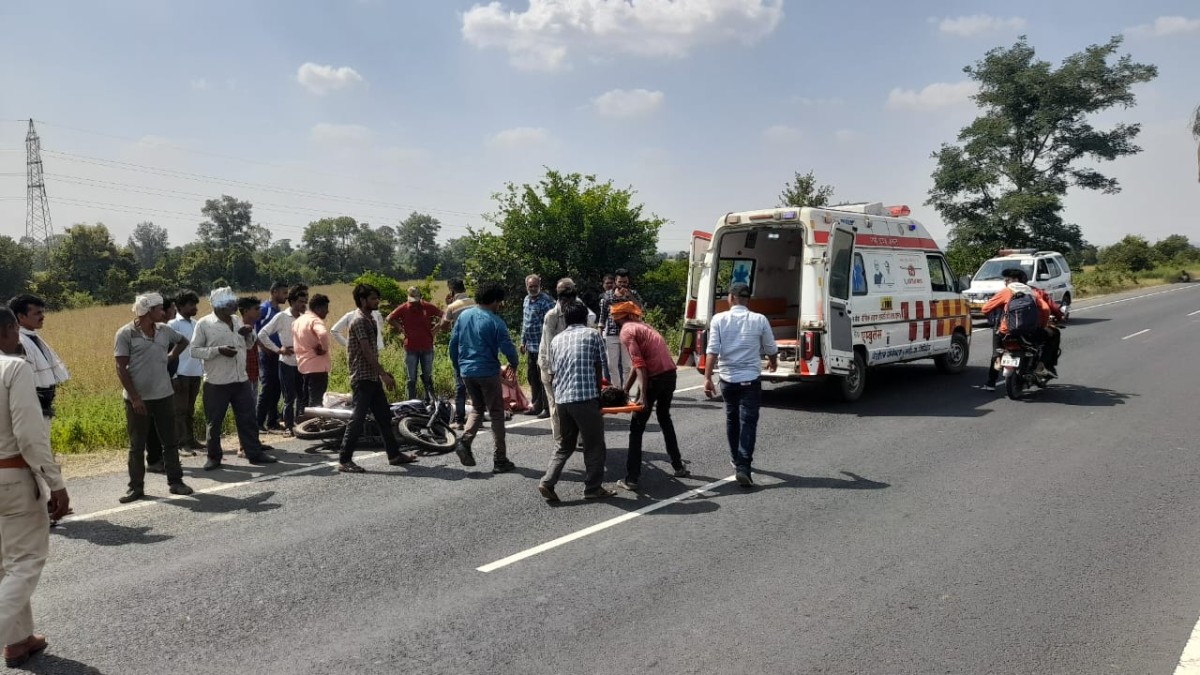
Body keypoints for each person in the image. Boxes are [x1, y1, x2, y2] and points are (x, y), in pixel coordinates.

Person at [0, 307, 69, 668]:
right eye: (15, 330)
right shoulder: (13, 368)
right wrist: (55, 483)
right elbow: (29, 435)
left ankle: (18, 641)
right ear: (8, 330)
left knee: (5, 564)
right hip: (11, 478)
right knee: (25, 563)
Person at [114, 293, 195, 502]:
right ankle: (135, 488)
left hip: (164, 395)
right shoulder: (125, 333)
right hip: (138, 399)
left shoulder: (164, 330)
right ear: (149, 311)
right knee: (137, 445)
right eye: (160, 309)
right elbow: (121, 368)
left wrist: (171, 356)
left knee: (170, 441)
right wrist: (135, 398)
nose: (164, 312)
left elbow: (183, 341)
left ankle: (176, 482)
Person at [190, 287, 278, 471]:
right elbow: (194, 351)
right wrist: (218, 350)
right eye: (230, 303)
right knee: (214, 422)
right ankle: (214, 457)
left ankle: (254, 452)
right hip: (216, 382)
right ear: (218, 305)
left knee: (248, 419)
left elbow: (249, 345)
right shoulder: (204, 324)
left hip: (240, 379)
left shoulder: (237, 320)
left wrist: (249, 334)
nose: (234, 305)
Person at [537, 302, 615, 502]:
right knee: (594, 445)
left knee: (565, 444)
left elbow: (554, 370)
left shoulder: (556, 340)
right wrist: (599, 395)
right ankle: (593, 488)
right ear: (584, 318)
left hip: (562, 399)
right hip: (585, 399)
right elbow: (599, 366)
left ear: (566, 319)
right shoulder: (593, 335)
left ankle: (547, 481)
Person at [703, 282, 778, 488]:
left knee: (732, 418)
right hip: (750, 380)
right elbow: (770, 347)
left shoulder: (719, 319)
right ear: (747, 300)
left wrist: (707, 378)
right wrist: (773, 361)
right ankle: (743, 466)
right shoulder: (759, 319)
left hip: (728, 380)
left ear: (731, 298)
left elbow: (712, 350)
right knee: (748, 422)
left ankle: (736, 458)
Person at [337, 284, 417, 473]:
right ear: (362, 300)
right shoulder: (359, 321)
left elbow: (372, 352)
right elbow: (366, 351)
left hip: (372, 377)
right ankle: (344, 460)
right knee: (357, 419)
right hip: (362, 377)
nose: (377, 301)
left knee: (384, 417)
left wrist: (382, 373)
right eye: (373, 298)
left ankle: (394, 455)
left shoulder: (370, 319)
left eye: (377, 298)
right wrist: (383, 374)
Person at [612, 301, 689, 491]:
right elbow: (637, 364)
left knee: (636, 428)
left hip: (653, 379)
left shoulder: (626, 331)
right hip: (669, 375)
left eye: (614, 316)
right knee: (664, 418)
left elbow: (640, 366)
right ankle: (678, 466)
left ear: (621, 317)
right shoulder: (644, 327)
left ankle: (632, 479)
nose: (613, 319)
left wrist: (643, 396)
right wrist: (625, 390)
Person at [448, 282, 519, 473]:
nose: (500, 305)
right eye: (499, 302)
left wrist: (458, 367)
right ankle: (500, 459)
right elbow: (508, 348)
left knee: (478, 408)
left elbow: (453, 345)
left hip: (467, 371)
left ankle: (465, 441)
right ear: (494, 300)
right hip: (487, 372)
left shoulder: (464, 316)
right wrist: (514, 363)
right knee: (496, 413)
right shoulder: (496, 322)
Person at [980, 269, 1056, 390]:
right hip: (1029, 333)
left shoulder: (1006, 291)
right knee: (1051, 336)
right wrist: (1041, 326)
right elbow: (1046, 309)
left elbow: (985, 308)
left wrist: (994, 318)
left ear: (1016, 280)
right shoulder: (1031, 292)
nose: (1005, 282)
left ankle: (991, 381)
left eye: (1007, 280)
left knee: (998, 346)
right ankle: (1041, 365)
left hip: (1007, 332)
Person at [7, 295, 69, 420]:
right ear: (21, 316)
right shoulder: (18, 341)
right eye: (37, 313)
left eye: (42, 312)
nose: (42, 316)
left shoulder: (31, 336)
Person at [257, 285, 308, 433]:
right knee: (289, 397)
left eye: (305, 301)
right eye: (300, 302)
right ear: (292, 302)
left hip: (303, 362)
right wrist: (278, 349)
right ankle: (288, 426)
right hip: (287, 362)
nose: (303, 305)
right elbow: (262, 334)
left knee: (302, 395)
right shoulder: (282, 317)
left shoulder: (306, 318)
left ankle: (300, 425)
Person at [538, 278, 580, 446]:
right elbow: (550, 347)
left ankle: (577, 437)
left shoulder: (577, 308)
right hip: (550, 366)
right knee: (556, 404)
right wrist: (552, 372)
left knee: (575, 402)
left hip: (568, 364)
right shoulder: (552, 316)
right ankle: (560, 439)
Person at [386, 287, 442, 402]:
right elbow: (389, 318)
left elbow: (445, 315)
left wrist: (436, 329)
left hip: (427, 346)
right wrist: (400, 328)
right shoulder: (404, 308)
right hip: (411, 347)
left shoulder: (427, 306)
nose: (414, 303)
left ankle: (430, 400)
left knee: (427, 376)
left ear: (420, 297)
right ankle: (411, 402)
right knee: (411, 378)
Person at [168, 290, 206, 455]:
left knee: (190, 410)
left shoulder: (196, 323)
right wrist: (174, 376)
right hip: (181, 374)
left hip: (195, 373)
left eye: (195, 304)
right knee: (179, 411)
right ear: (179, 306)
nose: (194, 308)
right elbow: (170, 352)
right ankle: (181, 443)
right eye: (191, 305)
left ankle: (190, 440)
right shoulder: (173, 325)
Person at [438, 279, 474, 429]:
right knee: (475, 383)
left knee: (460, 384)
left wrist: (448, 305)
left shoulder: (452, 306)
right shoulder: (474, 302)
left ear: (451, 291)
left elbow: (444, 327)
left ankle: (459, 420)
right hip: (476, 347)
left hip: (461, 348)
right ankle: (476, 417)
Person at [599, 268, 643, 385]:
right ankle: (616, 389)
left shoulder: (633, 293)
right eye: (620, 282)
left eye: (625, 282)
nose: (622, 284)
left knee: (627, 365)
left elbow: (640, 308)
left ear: (628, 281)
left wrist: (629, 296)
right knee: (612, 365)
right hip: (611, 334)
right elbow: (603, 315)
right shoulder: (608, 295)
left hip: (628, 334)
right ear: (615, 281)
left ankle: (625, 390)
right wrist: (600, 331)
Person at [256, 281, 289, 432]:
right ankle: (258, 422)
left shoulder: (278, 310)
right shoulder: (264, 309)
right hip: (267, 354)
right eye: (284, 293)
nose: (286, 296)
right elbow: (255, 332)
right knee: (267, 387)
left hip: (278, 354)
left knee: (277, 388)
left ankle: (272, 421)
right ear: (274, 292)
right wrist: (264, 348)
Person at [520, 274, 555, 418]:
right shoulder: (526, 300)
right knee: (533, 378)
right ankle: (536, 406)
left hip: (543, 346)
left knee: (544, 378)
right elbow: (525, 323)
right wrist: (522, 342)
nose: (533, 288)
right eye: (530, 286)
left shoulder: (546, 301)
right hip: (531, 347)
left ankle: (547, 408)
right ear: (526, 286)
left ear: (540, 285)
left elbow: (551, 324)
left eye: (535, 286)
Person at [293, 293, 332, 414]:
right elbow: (323, 334)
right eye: (325, 308)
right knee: (316, 402)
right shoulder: (315, 320)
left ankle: (301, 422)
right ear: (318, 308)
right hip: (317, 367)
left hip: (303, 367)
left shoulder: (298, 321)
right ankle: (312, 423)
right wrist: (324, 348)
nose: (327, 311)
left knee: (304, 399)